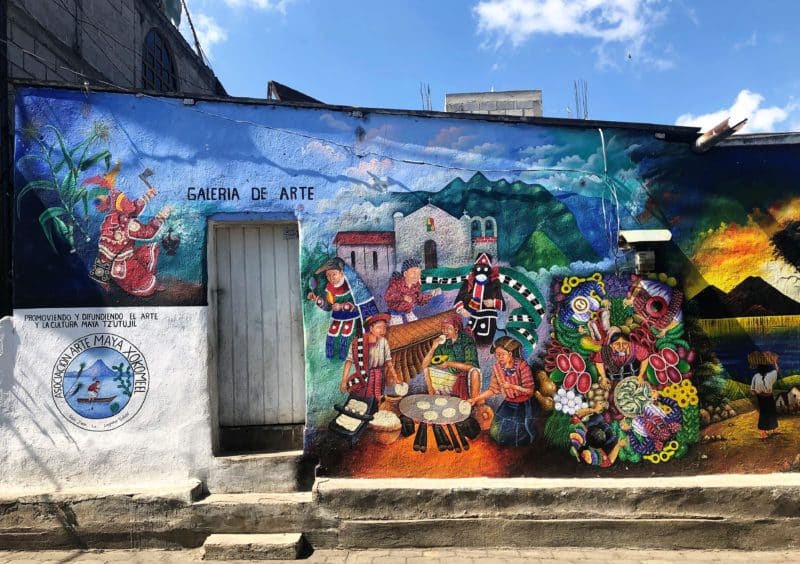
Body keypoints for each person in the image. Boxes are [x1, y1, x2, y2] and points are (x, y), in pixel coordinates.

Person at [86, 163, 172, 296]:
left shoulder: (111, 218)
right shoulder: (127, 224)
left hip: (113, 266)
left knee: (148, 251)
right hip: (125, 267)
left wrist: (148, 195)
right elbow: (148, 232)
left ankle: (113, 280)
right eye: (126, 202)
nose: (129, 204)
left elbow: (133, 208)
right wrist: (162, 216)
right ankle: (146, 284)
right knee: (147, 280)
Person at [469, 336, 537, 446]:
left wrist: (512, 386)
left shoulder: (522, 365)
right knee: (496, 432)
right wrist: (475, 399)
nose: (499, 357)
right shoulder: (497, 368)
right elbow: (492, 390)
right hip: (509, 402)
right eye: (497, 355)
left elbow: (530, 391)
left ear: (510, 354)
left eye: (502, 354)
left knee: (522, 434)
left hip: (524, 404)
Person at [307, 257, 360, 360]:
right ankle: (330, 357)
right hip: (337, 318)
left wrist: (342, 306)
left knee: (346, 336)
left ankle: (343, 358)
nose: (331, 278)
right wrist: (317, 299)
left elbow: (356, 304)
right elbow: (328, 306)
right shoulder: (329, 288)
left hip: (351, 318)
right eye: (328, 275)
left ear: (341, 273)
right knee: (331, 334)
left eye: (334, 274)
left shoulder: (350, 285)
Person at [421, 312, 480, 401]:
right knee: (426, 369)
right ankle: (432, 397)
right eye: (443, 328)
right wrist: (433, 347)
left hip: (467, 378)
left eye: (448, 329)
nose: (444, 332)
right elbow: (424, 365)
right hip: (452, 377)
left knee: (474, 372)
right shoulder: (443, 342)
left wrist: (449, 363)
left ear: (456, 330)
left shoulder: (467, 341)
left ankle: (473, 402)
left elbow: (471, 366)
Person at [340, 313, 398, 403]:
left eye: (384, 327)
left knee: (377, 400)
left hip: (379, 377)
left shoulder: (383, 342)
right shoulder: (358, 343)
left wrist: (395, 376)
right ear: (371, 328)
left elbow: (388, 361)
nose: (382, 331)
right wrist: (344, 380)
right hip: (364, 376)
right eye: (379, 327)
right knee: (362, 400)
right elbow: (349, 361)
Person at [454, 253, 505, 346]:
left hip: (489, 320)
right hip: (473, 319)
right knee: (468, 341)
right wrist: (462, 309)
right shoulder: (468, 283)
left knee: (484, 343)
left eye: (485, 269)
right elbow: (458, 299)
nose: (481, 272)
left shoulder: (494, 284)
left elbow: (502, 305)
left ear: (489, 271)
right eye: (478, 269)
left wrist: (493, 302)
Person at [384, 258, 441, 325]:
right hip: (395, 314)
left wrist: (431, 294)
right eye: (414, 273)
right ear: (405, 273)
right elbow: (387, 296)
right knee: (398, 329)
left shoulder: (416, 286)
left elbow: (420, 300)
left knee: (417, 326)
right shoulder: (396, 284)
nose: (416, 276)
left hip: (408, 312)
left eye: (419, 274)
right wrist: (403, 297)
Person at [750, 352, 780, 439]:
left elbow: (752, 390)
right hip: (765, 397)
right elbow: (777, 370)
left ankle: (772, 430)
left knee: (769, 412)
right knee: (766, 413)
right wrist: (774, 362)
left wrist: (758, 393)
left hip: (764, 397)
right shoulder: (766, 375)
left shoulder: (760, 376)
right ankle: (765, 432)